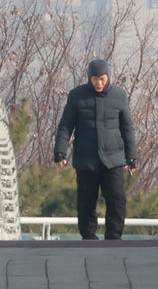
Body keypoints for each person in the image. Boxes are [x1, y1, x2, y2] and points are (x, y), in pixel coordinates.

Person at [54, 58, 137, 240]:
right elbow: (65, 126)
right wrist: (60, 151)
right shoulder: (77, 96)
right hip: (86, 159)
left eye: (102, 79)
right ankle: (88, 236)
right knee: (86, 202)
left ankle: (114, 237)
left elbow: (127, 128)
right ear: (89, 78)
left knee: (117, 199)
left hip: (113, 158)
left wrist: (131, 156)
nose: (99, 83)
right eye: (95, 79)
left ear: (108, 77)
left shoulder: (119, 95)